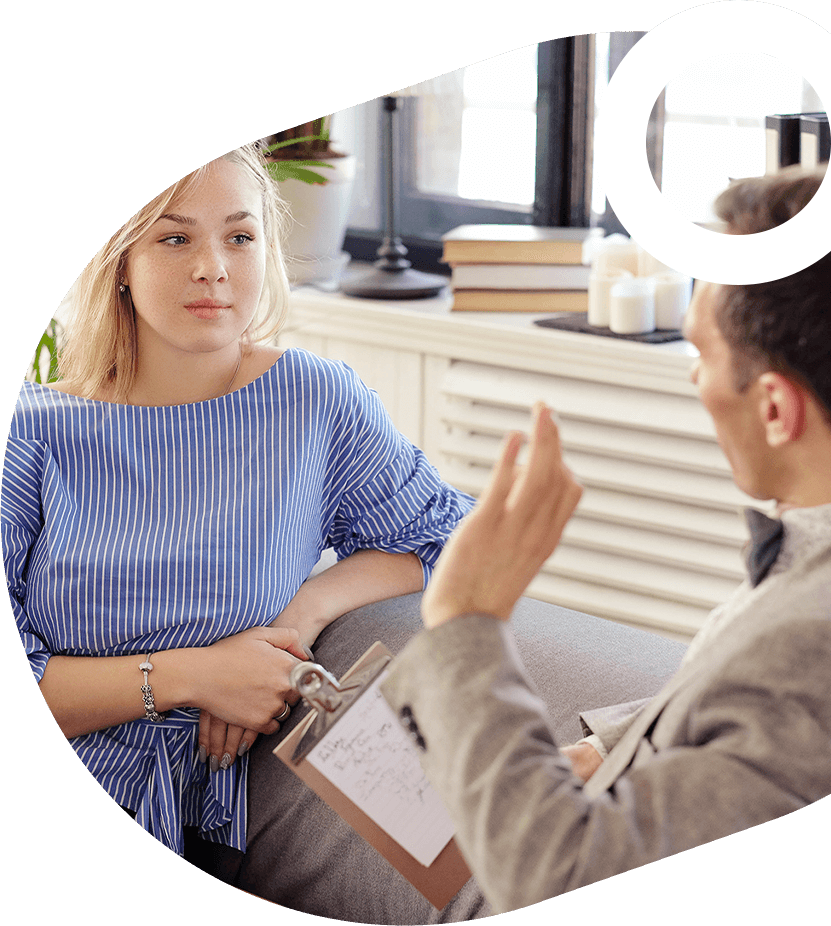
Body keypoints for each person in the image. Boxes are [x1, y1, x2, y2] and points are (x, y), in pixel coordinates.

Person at [3, 142, 473, 869]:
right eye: (175, 239)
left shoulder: (313, 400)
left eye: (240, 237)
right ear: (121, 263)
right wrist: (196, 676)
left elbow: (443, 535)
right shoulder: (33, 435)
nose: (212, 267)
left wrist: (297, 619)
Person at [380, 164, 831, 912]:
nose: (694, 381)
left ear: (776, 410)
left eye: (701, 354)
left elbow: (552, 875)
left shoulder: (808, 642)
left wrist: (465, 617)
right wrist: (608, 747)